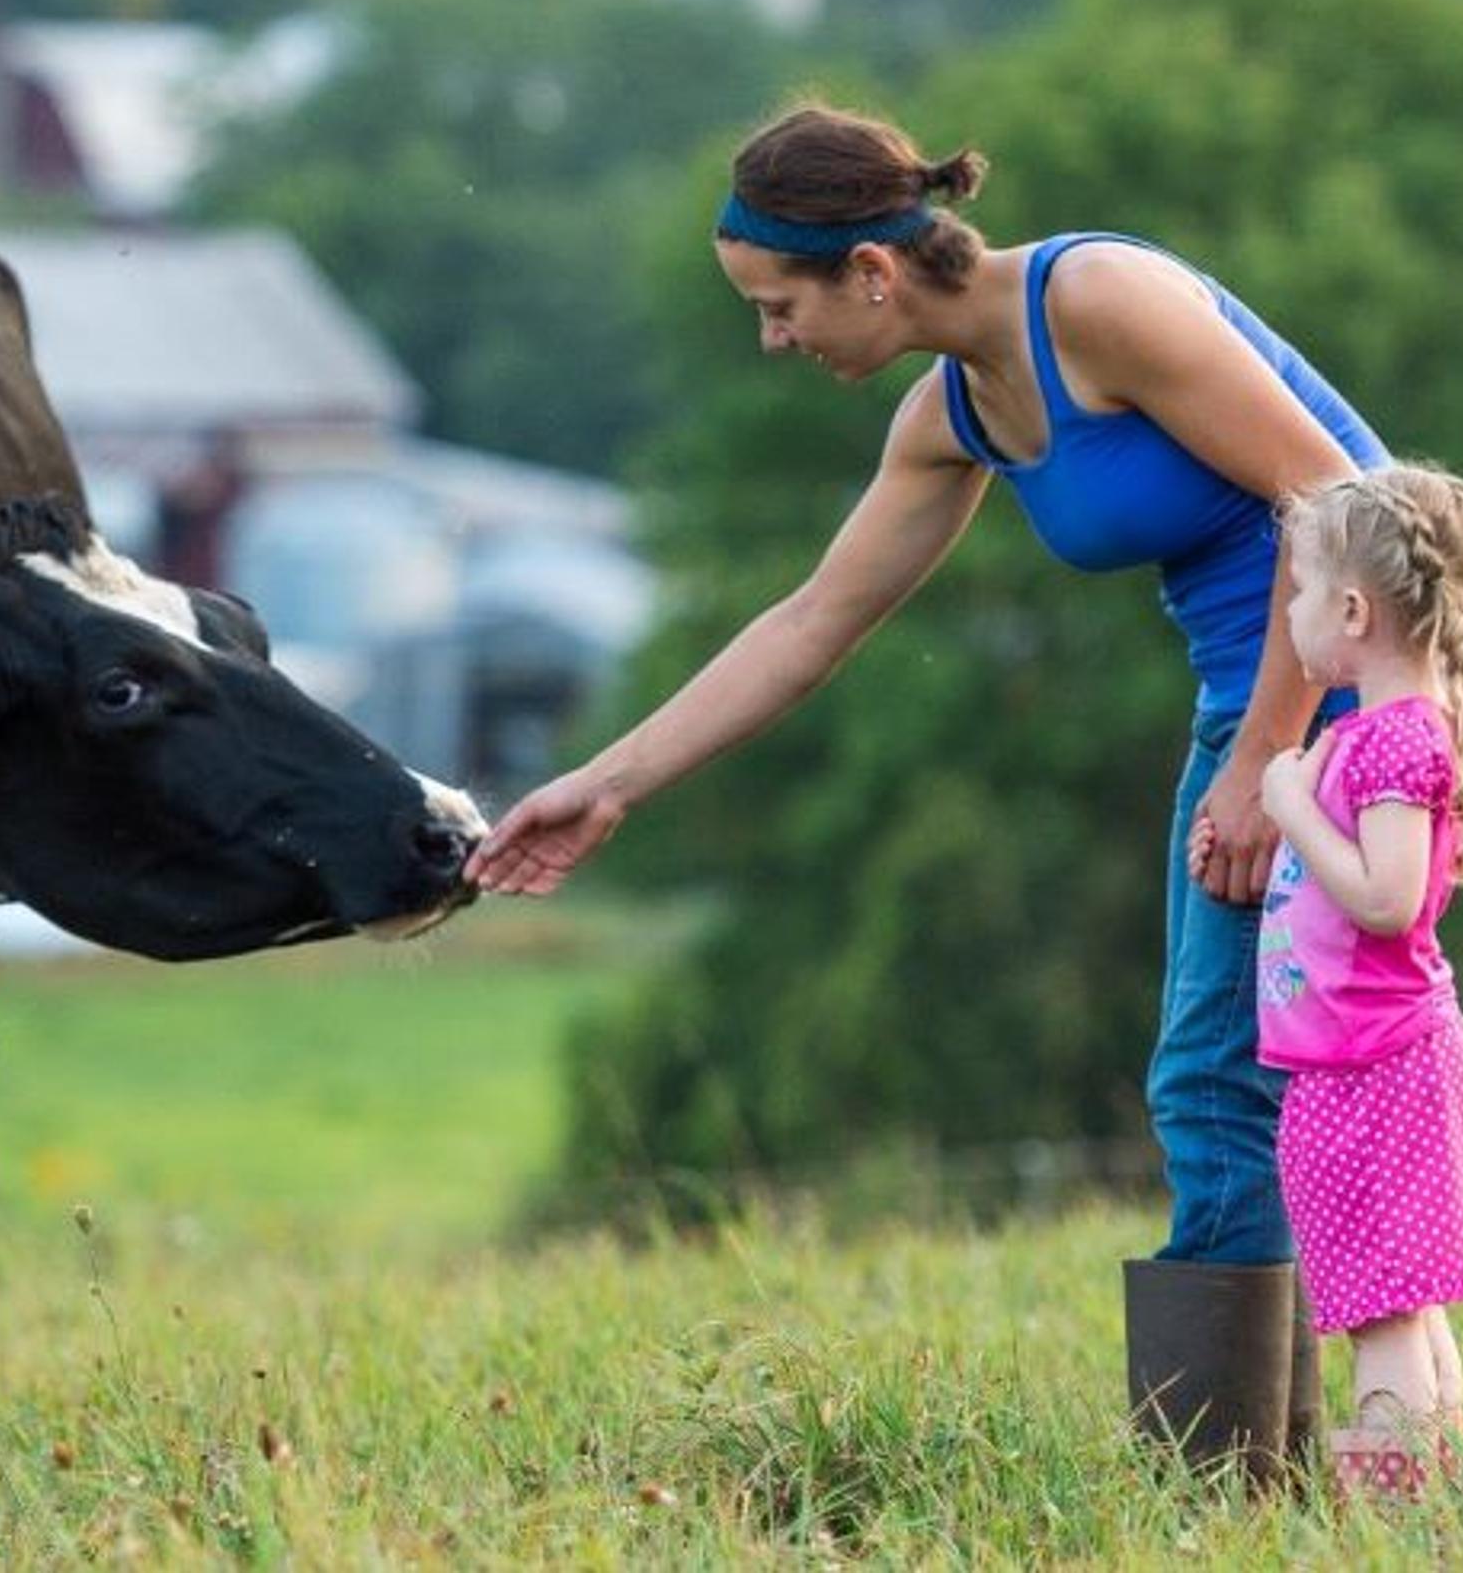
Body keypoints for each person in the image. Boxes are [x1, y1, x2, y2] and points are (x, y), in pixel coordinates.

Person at [467, 100, 1389, 1476]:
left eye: (780, 306)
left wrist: (1267, 762)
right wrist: (608, 785)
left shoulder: (1101, 298)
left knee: (1214, 1076)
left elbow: (1336, 504)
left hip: (1355, 685)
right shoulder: (953, 412)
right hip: (1272, 700)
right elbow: (810, 623)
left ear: (872, 274)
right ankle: (1285, 1473)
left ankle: (1231, 1493)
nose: (774, 340)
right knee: (1257, 1071)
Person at [1248, 463, 1463, 1497]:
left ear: (1352, 612)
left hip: (1377, 1071)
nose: (1295, 615)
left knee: (1385, 1317)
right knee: (1405, 1308)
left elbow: (1387, 899)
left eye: (1300, 593)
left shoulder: (1395, 741)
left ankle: (1394, 1521)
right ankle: (1435, 1507)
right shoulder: (1379, 737)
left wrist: (1287, 802)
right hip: (1362, 1066)